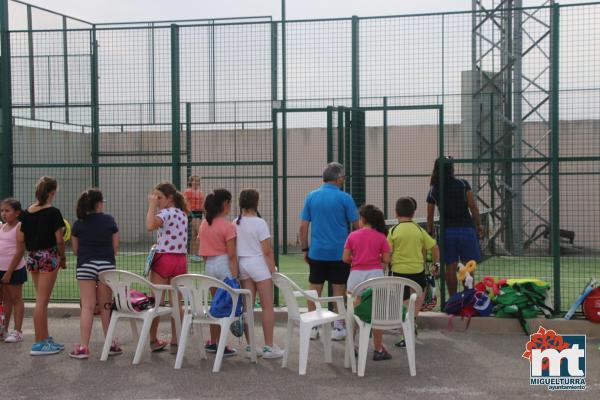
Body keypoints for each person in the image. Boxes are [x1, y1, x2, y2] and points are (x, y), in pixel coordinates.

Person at [299, 162, 359, 340]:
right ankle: (338, 328)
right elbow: (356, 226)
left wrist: (305, 248)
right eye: (343, 177)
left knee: (314, 288)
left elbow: (303, 226)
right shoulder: (345, 198)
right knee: (339, 289)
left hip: (317, 252)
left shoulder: (311, 196)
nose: (344, 180)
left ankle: (313, 326)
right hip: (340, 252)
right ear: (339, 178)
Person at [69, 189, 121, 359]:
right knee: (106, 306)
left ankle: (84, 347)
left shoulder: (78, 224)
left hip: (85, 265)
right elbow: (115, 249)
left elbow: (76, 251)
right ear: (99, 204)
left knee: (88, 306)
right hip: (106, 265)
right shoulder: (109, 220)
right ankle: (110, 344)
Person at [234, 189, 284, 359]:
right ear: (256, 202)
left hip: (243, 265)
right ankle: (269, 346)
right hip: (259, 265)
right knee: (267, 307)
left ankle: (250, 347)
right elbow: (267, 251)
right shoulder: (260, 223)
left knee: (247, 307)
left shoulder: (235, 222)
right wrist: (273, 270)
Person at [20, 177, 66, 355]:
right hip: (48, 256)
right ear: (52, 192)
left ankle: (44, 337)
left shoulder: (27, 212)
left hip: (32, 256)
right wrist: (62, 258)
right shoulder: (53, 212)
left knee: (41, 299)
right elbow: (60, 240)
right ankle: (39, 343)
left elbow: (22, 238)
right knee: (42, 301)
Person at [388, 197, 440, 347]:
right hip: (417, 271)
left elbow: (388, 253)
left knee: (404, 303)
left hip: (398, 272)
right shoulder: (419, 229)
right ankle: (411, 323)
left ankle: (405, 334)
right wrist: (435, 264)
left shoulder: (393, 231)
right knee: (418, 299)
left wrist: (386, 266)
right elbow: (434, 247)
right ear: (413, 213)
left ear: (396, 213)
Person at [426, 157, 483, 296]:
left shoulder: (434, 189)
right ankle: (469, 296)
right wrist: (479, 224)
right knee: (467, 265)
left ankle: (452, 299)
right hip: (466, 230)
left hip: (447, 231)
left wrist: (430, 231)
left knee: (450, 267)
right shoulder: (463, 184)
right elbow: (473, 206)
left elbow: (429, 215)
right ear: (451, 168)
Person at [342, 204, 391, 361]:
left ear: (362, 219)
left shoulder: (353, 236)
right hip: (375, 275)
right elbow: (387, 259)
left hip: (355, 276)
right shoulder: (381, 237)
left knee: (354, 312)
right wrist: (378, 263)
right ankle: (378, 349)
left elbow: (345, 258)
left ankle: (352, 346)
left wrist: (356, 260)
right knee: (376, 312)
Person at [146, 182, 188, 354]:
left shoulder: (164, 213)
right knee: (176, 303)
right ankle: (176, 341)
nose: (157, 200)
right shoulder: (183, 214)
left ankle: (153, 340)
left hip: (164, 258)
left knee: (156, 301)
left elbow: (150, 226)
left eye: (159, 197)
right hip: (180, 260)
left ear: (169, 198)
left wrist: (151, 206)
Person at [198, 188, 238, 357]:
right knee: (226, 306)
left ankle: (214, 342)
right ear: (225, 204)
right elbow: (232, 255)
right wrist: (235, 277)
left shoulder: (204, 224)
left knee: (215, 306)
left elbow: (203, 253)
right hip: (223, 264)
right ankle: (221, 344)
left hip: (209, 266)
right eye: (229, 202)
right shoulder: (228, 226)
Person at [0, 198, 27, 343]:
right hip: (1, 269)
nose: (4, 214)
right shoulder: (1, 227)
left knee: (16, 299)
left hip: (14, 270)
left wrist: (9, 272)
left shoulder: (19, 227)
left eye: (7, 211)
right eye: (2, 211)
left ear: (17, 213)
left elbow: (19, 251)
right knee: (5, 300)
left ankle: (18, 331)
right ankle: (3, 330)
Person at [183, 175, 205, 263]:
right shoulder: (187, 191)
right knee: (199, 232)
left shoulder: (201, 192)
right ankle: (196, 254)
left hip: (199, 213)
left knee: (194, 234)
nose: (196, 183)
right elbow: (184, 203)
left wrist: (205, 215)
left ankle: (193, 255)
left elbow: (203, 205)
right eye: (194, 181)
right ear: (191, 182)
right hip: (191, 213)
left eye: (198, 181)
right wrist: (189, 212)